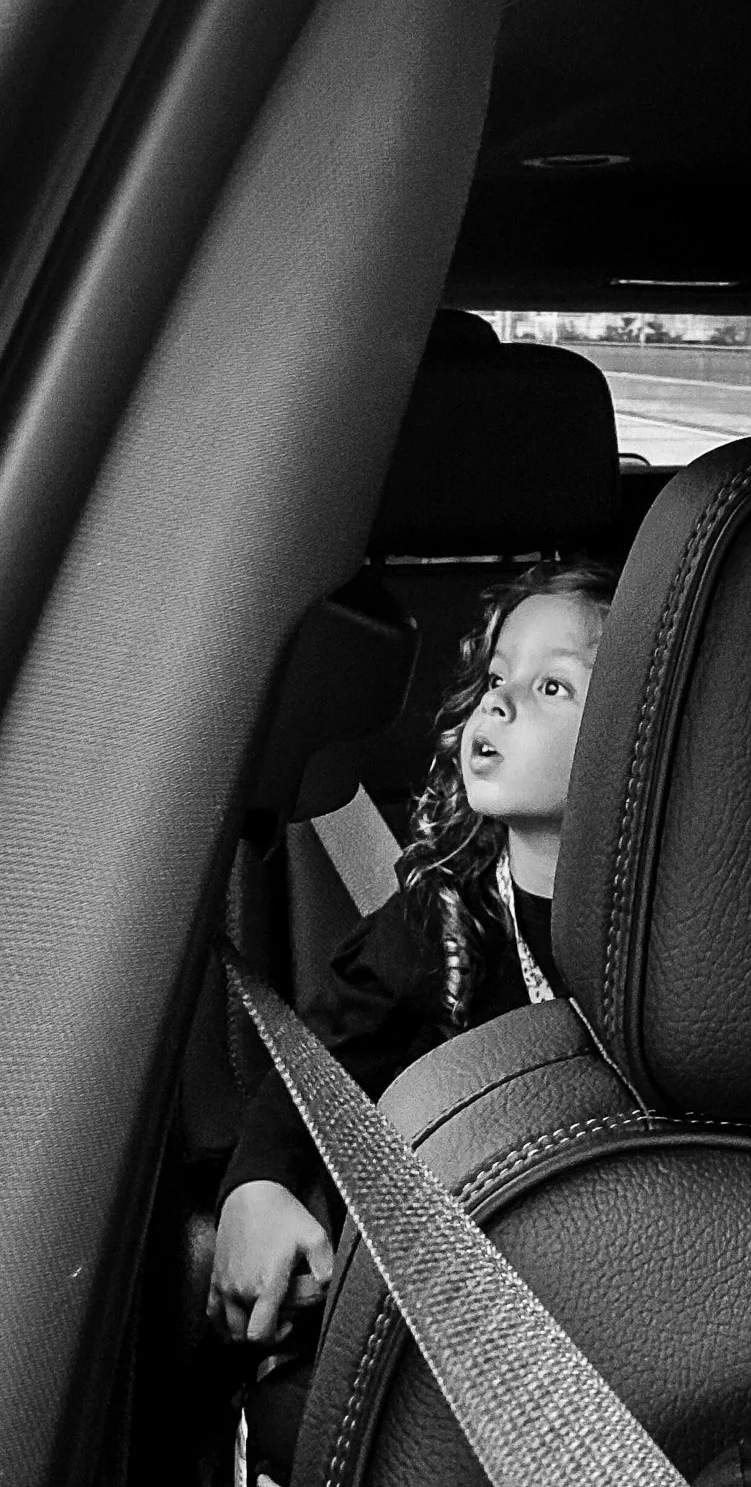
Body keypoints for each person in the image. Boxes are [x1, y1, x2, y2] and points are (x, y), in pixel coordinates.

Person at [207, 557, 617, 1353]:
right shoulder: (438, 921)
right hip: (484, 1294)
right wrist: (256, 1188)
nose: (498, 702)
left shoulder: (679, 932)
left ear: (636, 731)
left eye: (551, 686)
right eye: (496, 677)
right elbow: (312, 1077)